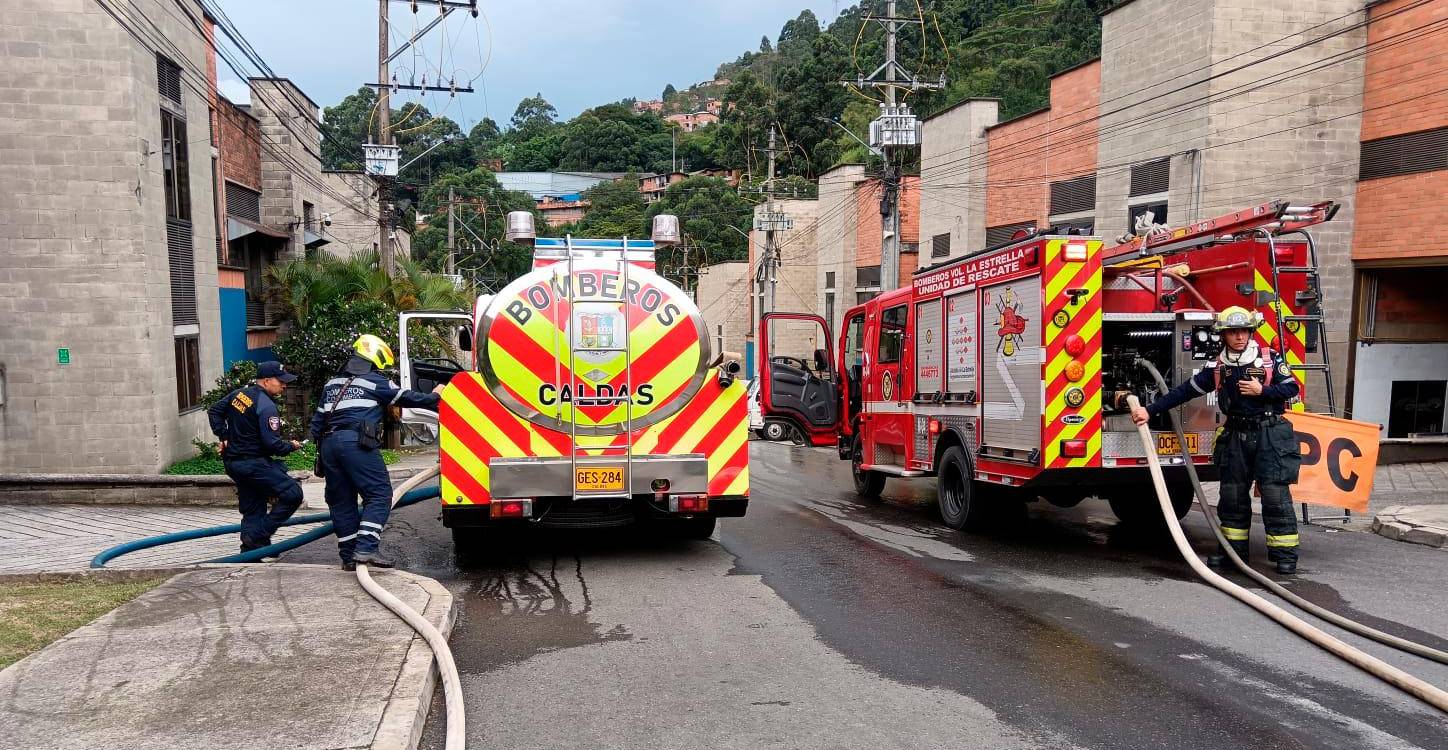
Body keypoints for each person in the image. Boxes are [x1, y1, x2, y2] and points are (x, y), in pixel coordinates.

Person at [1131, 306, 1303, 574]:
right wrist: (1149, 410)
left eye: (1243, 331)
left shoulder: (1269, 359)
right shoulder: (1218, 367)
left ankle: (1285, 556)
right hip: (1236, 434)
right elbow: (1185, 391)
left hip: (1270, 435)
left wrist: (1263, 390)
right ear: (1223, 335)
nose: (1239, 337)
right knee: (1232, 497)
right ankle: (1234, 554)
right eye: (1233, 332)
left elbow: (1292, 388)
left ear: (1250, 332)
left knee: (1274, 495)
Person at [310, 334, 443, 570]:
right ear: (375, 359)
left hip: (329, 445)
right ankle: (367, 548)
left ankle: (349, 556)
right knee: (379, 494)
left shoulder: (331, 385)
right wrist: (436, 395)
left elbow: (316, 424)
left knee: (341, 502)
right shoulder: (376, 382)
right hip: (356, 444)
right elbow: (409, 398)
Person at [207, 361, 305, 555]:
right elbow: (273, 445)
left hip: (234, 463)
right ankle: (259, 535)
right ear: (267, 381)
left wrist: (224, 436)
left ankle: (251, 553)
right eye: (281, 381)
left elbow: (214, 411)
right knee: (293, 494)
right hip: (253, 463)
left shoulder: (239, 395)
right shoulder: (266, 406)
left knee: (253, 506)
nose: (284, 386)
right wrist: (292, 446)